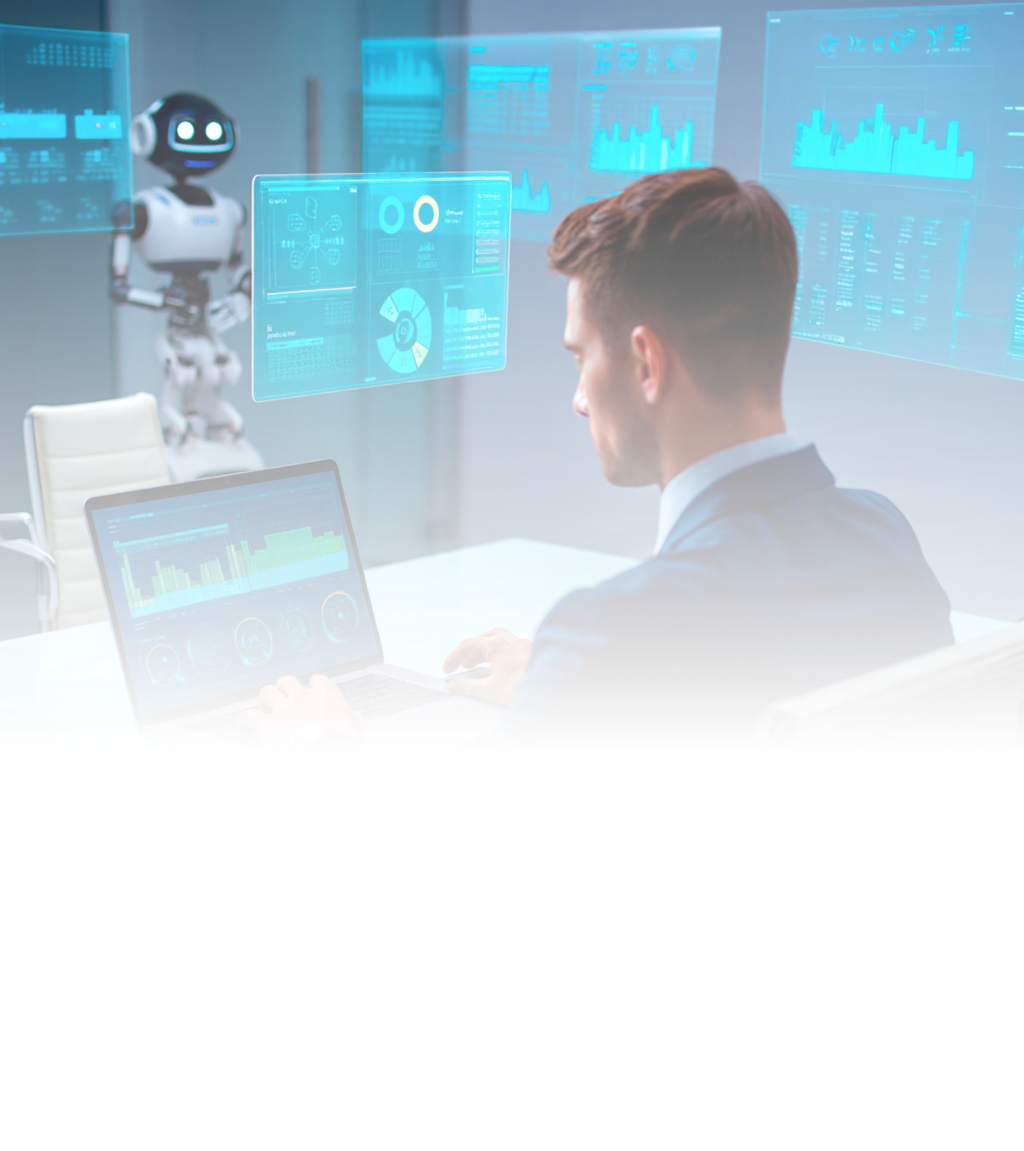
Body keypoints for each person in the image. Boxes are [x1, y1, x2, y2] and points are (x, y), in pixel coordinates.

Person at [238, 167, 954, 752]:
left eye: (581, 357)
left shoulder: (620, 631)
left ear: (645, 363)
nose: (580, 400)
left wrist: (313, 734)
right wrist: (563, 689)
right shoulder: (883, 537)